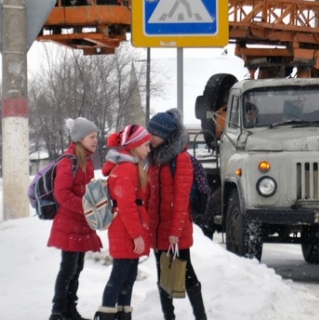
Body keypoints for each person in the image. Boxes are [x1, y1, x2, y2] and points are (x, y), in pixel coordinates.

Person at [146, 109, 208, 320]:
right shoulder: (153, 161)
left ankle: (201, 316)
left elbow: (181, 201)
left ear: (165, 134)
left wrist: (174, 232)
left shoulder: (180, 159)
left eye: (153, 133)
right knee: (163, 276)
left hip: (176, 232)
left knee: (186, 274)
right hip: (157, 231)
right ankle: (168, 317)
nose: (149, 137)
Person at [94, 124, 152, 320]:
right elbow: (126, 205)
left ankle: (122, 315)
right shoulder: (127, 169)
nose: (149, 149)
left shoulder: (131, 166)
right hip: (125, 231)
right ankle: (107, 315)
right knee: (119, 278)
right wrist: (137, 236)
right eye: (146, 145)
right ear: (135, 145)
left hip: (125, 229)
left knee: (127, 278)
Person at [48, 117, 103, 320]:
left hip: (80, 222)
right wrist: (86, 207)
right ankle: (57, 312)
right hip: (69, 223)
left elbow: (85, 191)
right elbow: (62, 193)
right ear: (79, 138)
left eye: (96, 136)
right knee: (68, 268)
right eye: (92, 136)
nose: (96, 140)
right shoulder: (68, 161)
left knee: (76, 268)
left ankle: (70, 310)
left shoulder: (85, 161)